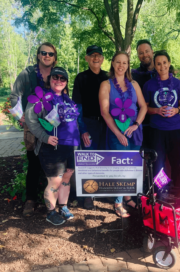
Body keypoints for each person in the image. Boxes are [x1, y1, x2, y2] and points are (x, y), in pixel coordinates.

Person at [25, 67, 80, 225]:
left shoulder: (67, 99)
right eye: (55, 77)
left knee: (67, 176)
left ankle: (63, 206)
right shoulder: (42, 97)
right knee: (55, 181)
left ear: (66, 82)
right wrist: (45, 137)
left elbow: (74, 123)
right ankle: (50, 212)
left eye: (62, 78)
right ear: (49, 80)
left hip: (70, 147)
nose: (59, 81)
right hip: (52, 147)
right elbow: (30, 118)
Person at [10, 42, 57, 217]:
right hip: (31, 126)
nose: (47, 56)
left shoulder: (56, 74)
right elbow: (15, 95)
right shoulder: (27, 74)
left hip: (52, 126)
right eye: (43, 53)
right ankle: (30, 199)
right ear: (38, 55)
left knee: (51, 164)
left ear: (54, 57)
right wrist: (19, 115)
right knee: (34, 163)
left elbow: (63, 92)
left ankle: (51, 202)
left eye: (50, 54)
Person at [99, 51, 147, 217]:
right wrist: (118, 133)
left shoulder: (134, 84)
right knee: (121, 167)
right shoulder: (106, 84)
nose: (121, 65)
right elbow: (105, 112)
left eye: (124, 63)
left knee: (132, 167)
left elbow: (143, 107)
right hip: (116, 132)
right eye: (118, 62)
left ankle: (128, 197)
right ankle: (118, 202)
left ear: (128, 65)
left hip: (134, 131)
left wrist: (136, 124)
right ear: (112, 63)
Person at [143, 50, 180, 193]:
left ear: (169, 63)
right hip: (157, 130)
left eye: (164, 63)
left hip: (174, 128)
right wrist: (156, 110)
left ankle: (177, 190)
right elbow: (144, 107)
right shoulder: (149, 85)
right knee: (158, 164)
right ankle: (160, 191)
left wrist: (176, 110)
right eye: (159, 64)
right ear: (155, 66)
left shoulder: (178, 84)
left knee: (177, 162)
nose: (162, 66)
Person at [72, 45, 108, 209]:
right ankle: (88, 195)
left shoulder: (108, 77)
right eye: (92, 55)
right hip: (89, 123)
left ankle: (103, 191)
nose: (95, 58)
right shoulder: (81, 78)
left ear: (102, 58)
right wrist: (83, 129)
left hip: (107, 124)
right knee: (89, 159)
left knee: (105, 157)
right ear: (86, 58)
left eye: (98, 55)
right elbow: (77, 107)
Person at [132, 39, 156, 148]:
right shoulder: (134, 76)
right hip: (140, 124)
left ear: (152, 52)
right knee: (141, 159)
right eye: (141, 53)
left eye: (147, 51)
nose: (144, 55)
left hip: (160, 124)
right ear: (138, 56)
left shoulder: (163, 73)